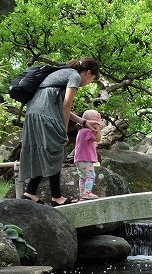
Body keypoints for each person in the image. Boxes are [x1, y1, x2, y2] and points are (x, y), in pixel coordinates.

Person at [18, 57, 100, 206]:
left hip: (33, 114)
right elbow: (66, 106)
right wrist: (63, 130)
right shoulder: (74, 76)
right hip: (45, 115)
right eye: (92, 79)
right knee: (56, 150)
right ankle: (56, 197)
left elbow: (62, 105)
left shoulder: (63, 72)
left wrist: (83, 122)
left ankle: (30, 192)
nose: (89, 83)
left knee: (43, 153)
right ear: (88, 73)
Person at [74, 109, 104, 200]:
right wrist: (97, 130)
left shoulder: (81, 131)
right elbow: (98, 139)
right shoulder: (88, 131)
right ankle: (87, 192)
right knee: (90, 175)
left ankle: (82, 193)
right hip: (85, 158)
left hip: (79, 159)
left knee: (83, 177)